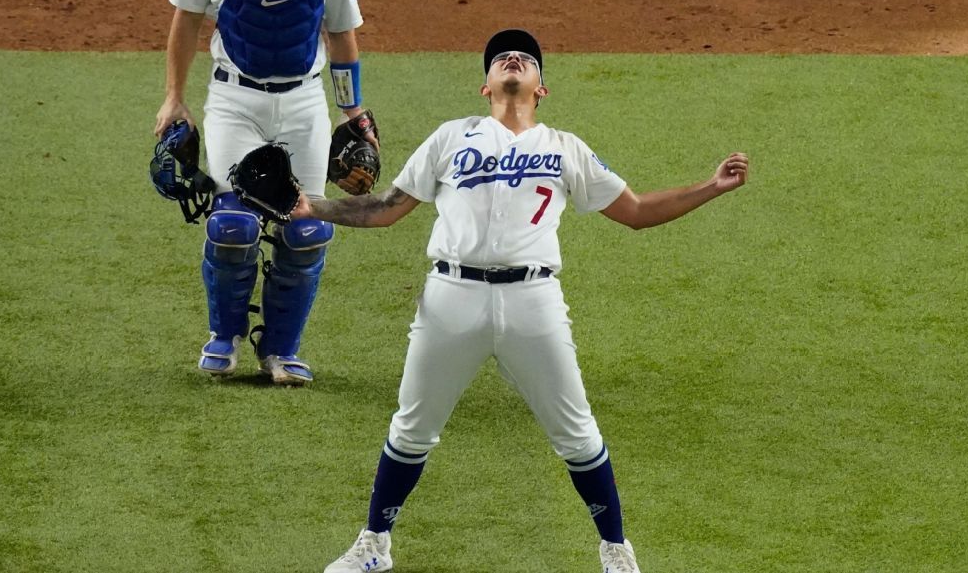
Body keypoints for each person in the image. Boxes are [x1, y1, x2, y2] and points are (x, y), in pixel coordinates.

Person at [297, 29, 749, 572]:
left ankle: (616, 551)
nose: (513, 60)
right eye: (502, 59)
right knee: (411, 427)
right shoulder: (449, 138)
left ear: (542, 89)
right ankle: (374, 544)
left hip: (534, 299)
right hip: (450, 296)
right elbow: (388, 207)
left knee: (576, 432)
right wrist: (313, 207)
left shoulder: (565, 149)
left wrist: (710, 186)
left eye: (526, 60)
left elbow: (635, 211)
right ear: (484, 86)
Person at [153, 0, 374, 385]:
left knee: (308, 227)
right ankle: (223, 338)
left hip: (303, 102)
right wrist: (174, 98)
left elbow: (343, 34)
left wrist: (353, 109)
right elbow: (185, 23)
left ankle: (280, 351)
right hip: (235, 102)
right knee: (233, 225)